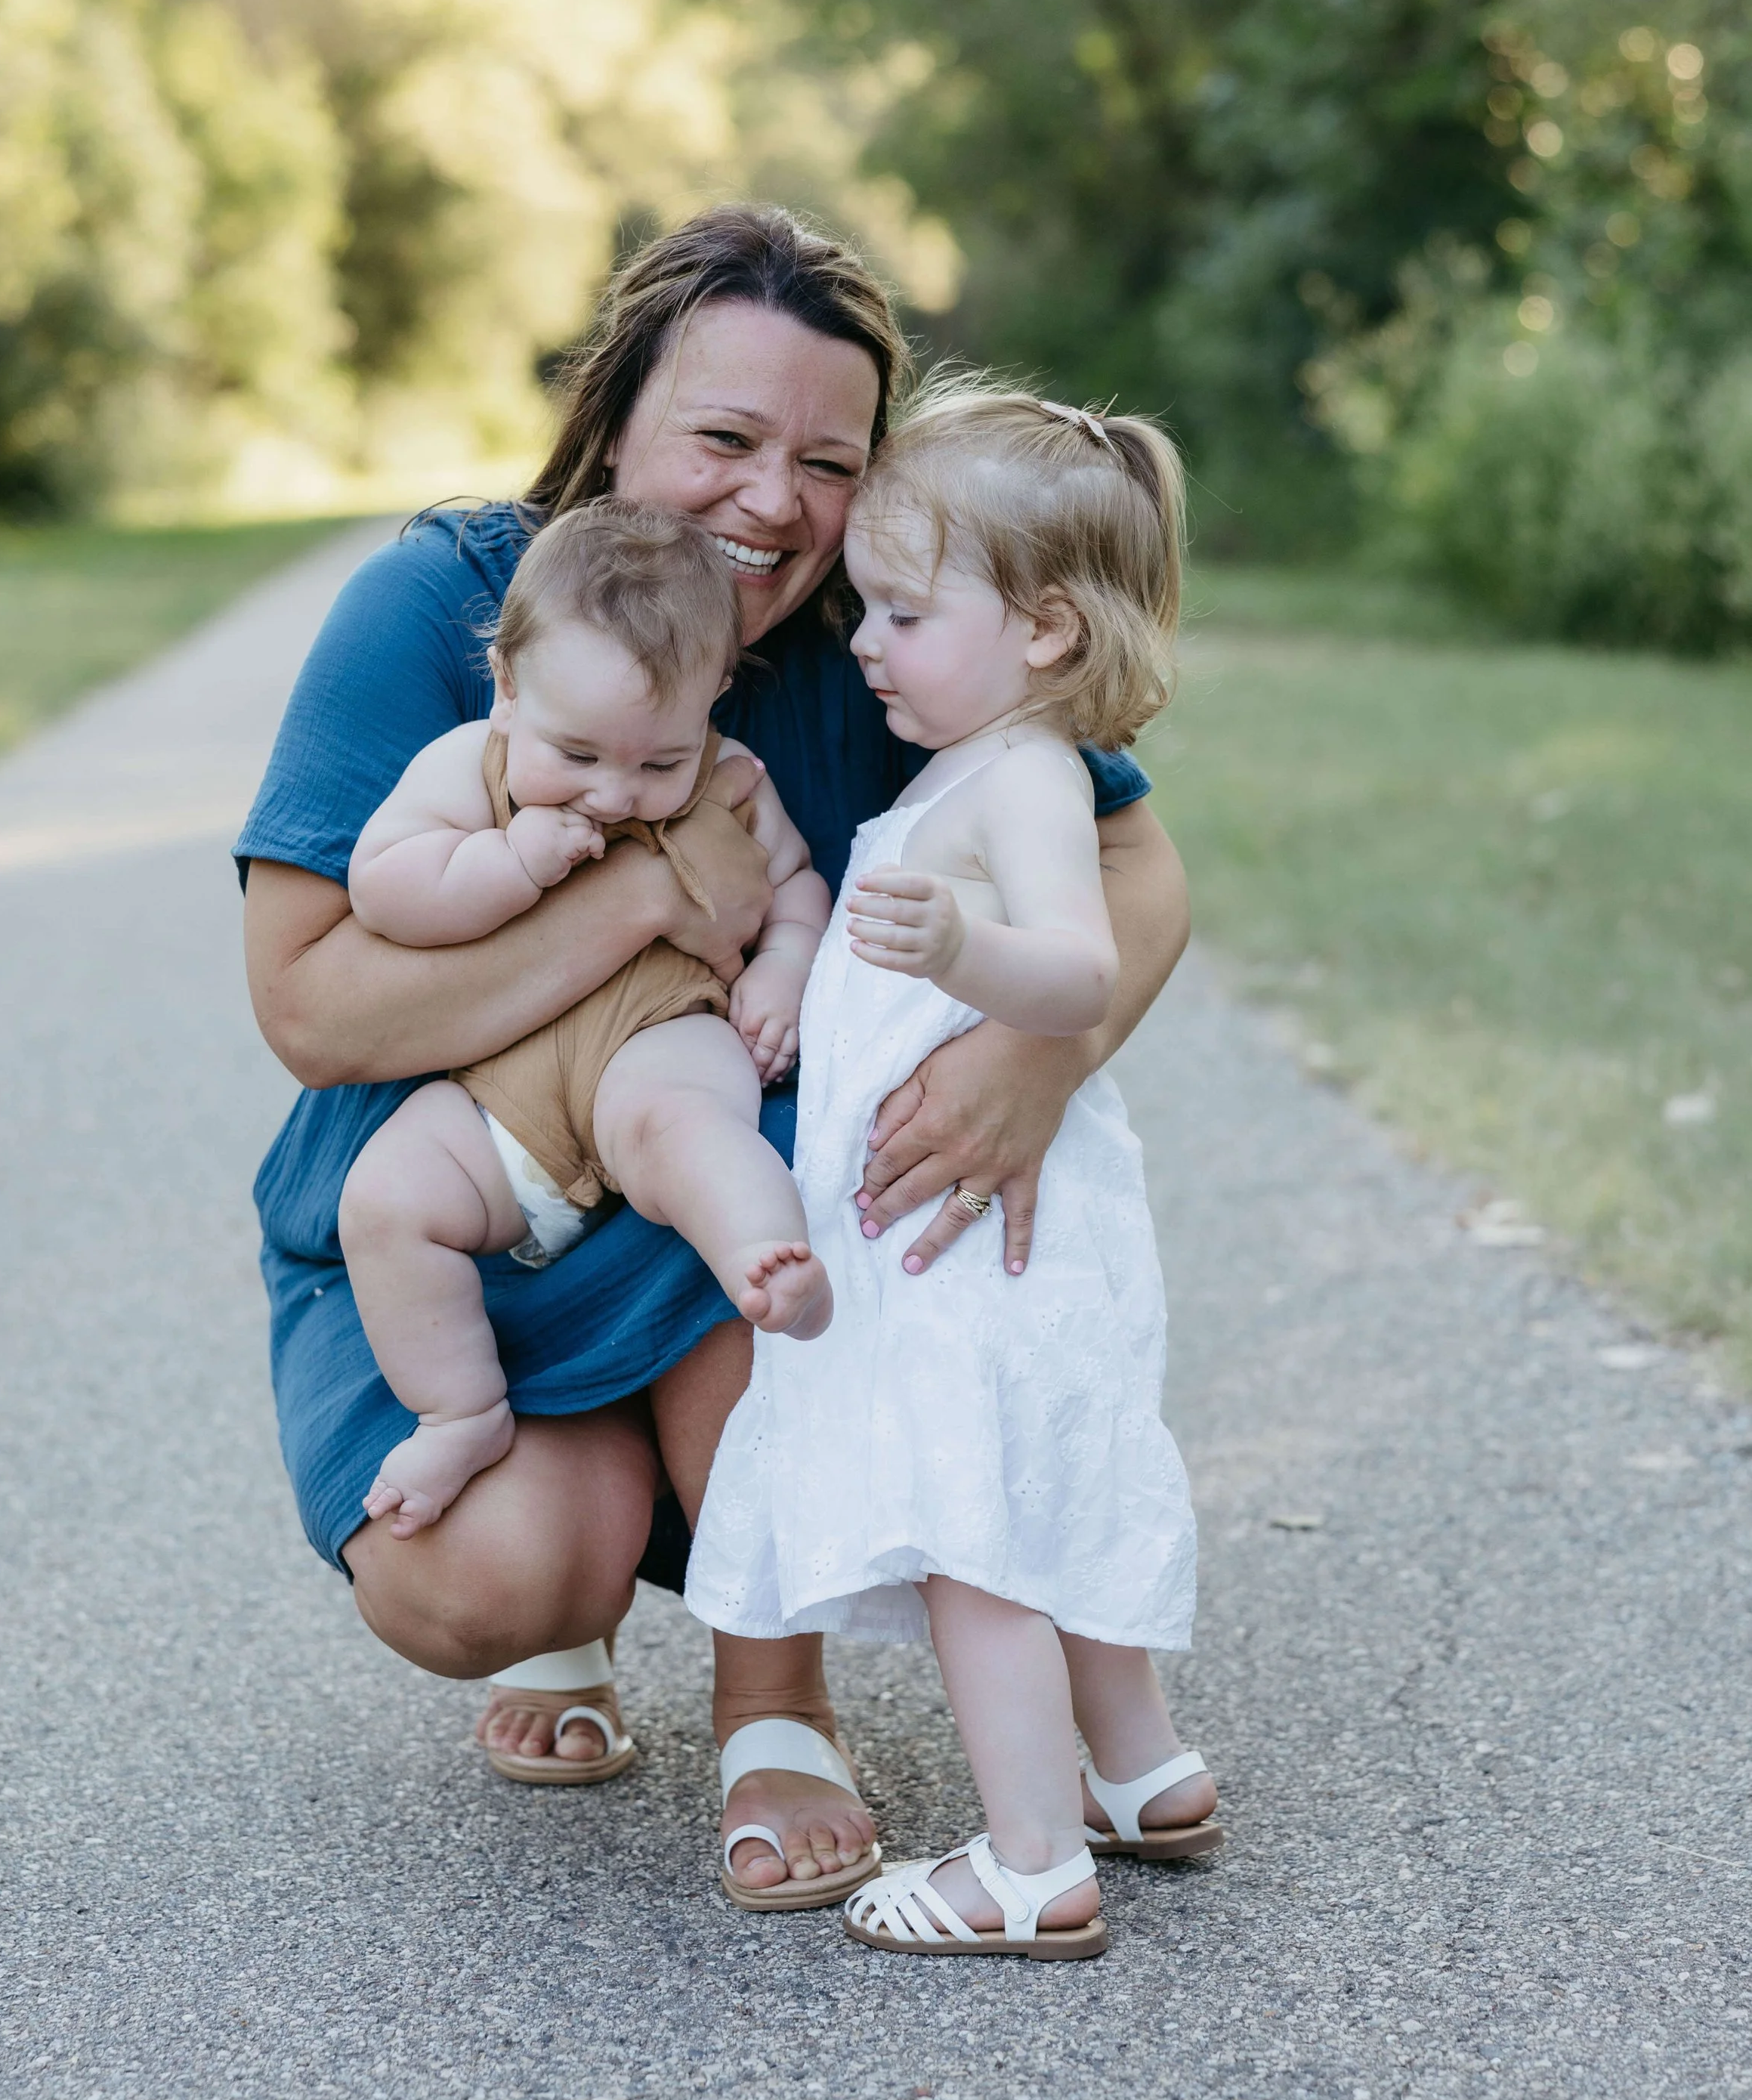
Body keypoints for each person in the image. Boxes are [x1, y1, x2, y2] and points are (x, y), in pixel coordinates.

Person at [239, 203, 1202, 1900]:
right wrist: (637, 898)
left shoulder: (877, 634)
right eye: (725, 438)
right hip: (472, 1188)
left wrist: (1035, 1061)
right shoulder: (452, 606)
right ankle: (575, 1576)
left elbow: (1131, 863)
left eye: (828, 460)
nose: (775, 500)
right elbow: (311, 1003)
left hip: (713, 1190)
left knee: (759, 1221)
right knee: (501, 1572)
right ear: (615, 418)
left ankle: (776, 1707)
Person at [688, 382, 1221, 1957]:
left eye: (905, 613)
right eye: (865, 607)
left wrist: (969, 946)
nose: (863, 644)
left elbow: (1073, 966)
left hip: (975, 1242)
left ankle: (1028, 1863)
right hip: (955, 1236)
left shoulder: (1022, 781)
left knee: (972, 1539)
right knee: (1036, 1498)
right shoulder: (961, 767)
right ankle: (1139, 1770)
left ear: (1046, 631)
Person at [338, 501, 831, 1542]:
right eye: (581, 754)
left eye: (659, 762)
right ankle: (460, 1408)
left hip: (664, 1035)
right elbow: (384, 886)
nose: (618, 793)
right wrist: (504, 862)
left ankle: (768, 1259)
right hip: (504, 1090)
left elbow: (793, 884)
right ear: (509, 686)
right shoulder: (467, 766)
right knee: (385, 1201)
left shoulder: (732, 782)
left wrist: (784, 968)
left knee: (686, 1129)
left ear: (713, 700)